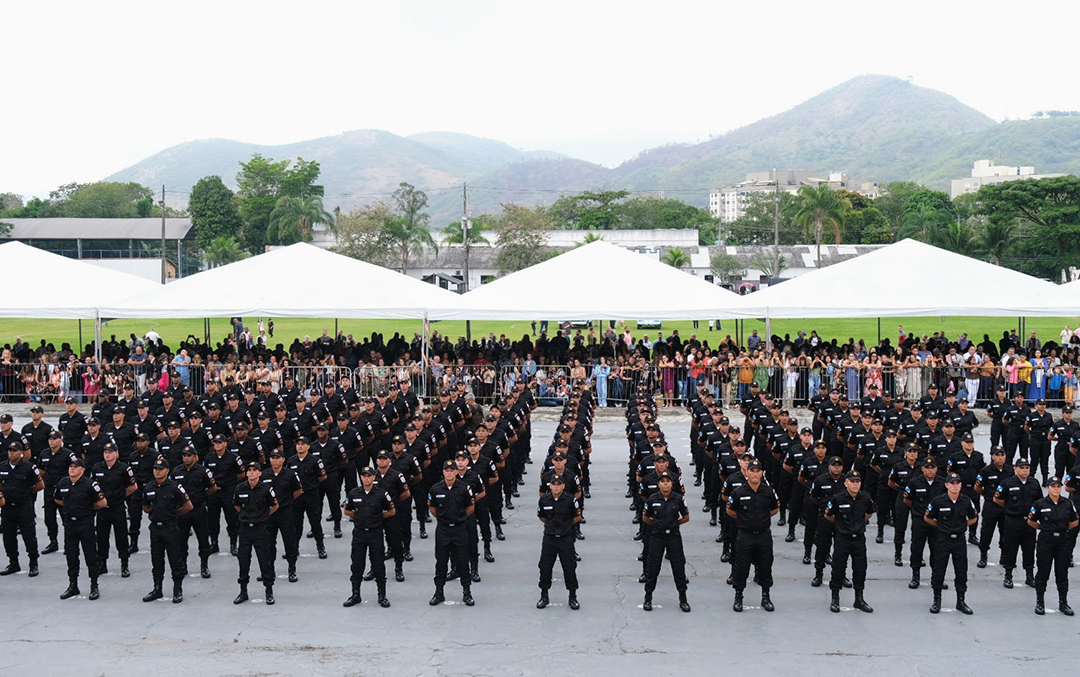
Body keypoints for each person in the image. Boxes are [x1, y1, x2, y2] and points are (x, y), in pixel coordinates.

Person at [727, 458, 779, 613]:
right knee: (741, 566)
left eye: (758, 471)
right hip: (745, 535)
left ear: (761, 473)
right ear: (747, 472)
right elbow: (730, 510)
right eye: (752, 471)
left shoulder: (768, 491)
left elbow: (774, 509)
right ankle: (738, 596)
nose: (755, 474)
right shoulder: (738, 492)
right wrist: (745, 520)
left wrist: (762, 519)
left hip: (763, 535)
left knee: (765, 565)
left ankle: (766, 596)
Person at [924, 472, 978, 614]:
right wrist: (941, 526)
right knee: (939, 570)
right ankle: (937, 600)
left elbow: (973, 518)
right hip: (943, 539)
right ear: (947, 485)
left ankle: (961, 601)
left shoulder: (966, 501)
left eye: (957, 483)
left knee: (961, 571)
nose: (955, 486)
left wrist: (962, 526)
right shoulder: (938, 501)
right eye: (952, 483)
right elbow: (928, 517)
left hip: (959, 540)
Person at [141, 457, 193, 604]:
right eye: (155, 469)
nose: (157, 472)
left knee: (175, 560)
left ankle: (177, 589)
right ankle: (157, 588)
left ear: (167, 471)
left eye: (160, 469)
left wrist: (173, 515)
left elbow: (188, 505)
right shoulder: (149, 487)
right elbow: (145, 506)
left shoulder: (175, 487)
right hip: (155, 529)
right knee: (157, 561)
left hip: (170, 528)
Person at [342, 466, 395, 608]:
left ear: (373, 478)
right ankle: (355, 594)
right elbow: (347, 510)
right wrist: (359, 517)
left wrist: (377, 518)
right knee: (357, 565)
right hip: (359, 534)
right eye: (363, 475)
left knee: (378, 564)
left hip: (375, 533)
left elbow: (391, 510)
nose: (366, 478)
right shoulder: (354, 493)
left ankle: (382, 595)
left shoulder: (381, 494)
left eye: (369, 476)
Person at [54, 458, 106, 600]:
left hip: (85, 524)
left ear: (82, 470)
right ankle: (73, 585)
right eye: (71, 466)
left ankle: (94, 586)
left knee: (90, 556)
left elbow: (102, 502)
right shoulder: (63, 483)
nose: (72, 469)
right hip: (70, 525)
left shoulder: (90, 484)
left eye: (75, 467)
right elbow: (57, 498)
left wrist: (87, 509)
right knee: (71, 556)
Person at [824, 470, 875, 613]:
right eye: (852, 481)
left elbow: (869, 513)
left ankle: (859, 599)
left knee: (860, 569)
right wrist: (841, 525)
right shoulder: (837, 499)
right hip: (842, 539)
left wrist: (858, 523)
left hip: (859, 539)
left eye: (857, 481)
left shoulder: (865, 498)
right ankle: (835, 598)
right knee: (838, 568)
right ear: (846, 483)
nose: (855, 484)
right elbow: (829, 515)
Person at [1028, 475, 1079, 615]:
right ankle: (1040, 602)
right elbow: (1031, 521)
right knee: (1043, 572)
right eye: (1053, 486)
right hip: (1046, 541)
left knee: (1062, 573)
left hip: (1063, 541)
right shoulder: (1040, 504)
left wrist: (1063, 529)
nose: (1056, 489)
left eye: (1058, 486)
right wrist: (1045, 529)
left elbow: (1074, 521)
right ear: (1048, 488)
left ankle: (1063, 603)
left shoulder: (1068, 503)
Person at [428, 459, 476, 606]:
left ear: (456, 471)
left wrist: (459, 518)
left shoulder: (464, 488)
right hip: (443, 530)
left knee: (463, 561)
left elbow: (470, 507)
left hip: (459, 529)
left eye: (452, 470)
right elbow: (433, 508)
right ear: (443, 472)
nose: (449, 473)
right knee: (441, 562)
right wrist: (444, 519)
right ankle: (439, 592)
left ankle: (467, 592)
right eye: (446, 470)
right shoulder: (435, 489)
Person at [641, 471, 691, 612]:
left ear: (671, 483)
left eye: (667, 481)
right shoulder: (652, 499)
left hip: (673, 536)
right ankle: (648, 597)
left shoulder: (678, 499)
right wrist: (658, 525)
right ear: (659, 484)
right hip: (657, 536)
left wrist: (674, 524)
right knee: (653, 567)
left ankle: (683, 598)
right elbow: (645, 518)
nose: (665, 484)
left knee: (678, 567)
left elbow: (686, 517)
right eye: (662, 481)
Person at [232, 461, 279, 605]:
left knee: (264, 559)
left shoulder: (266, 489)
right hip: (245, 529)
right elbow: (237, 504)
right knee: (243, 560)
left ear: (260, 473)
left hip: (260, 529)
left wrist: (262, 516)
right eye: (249, 470)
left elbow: (274, 505)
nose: (251, 472)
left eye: (254, 470)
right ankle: (243, 591)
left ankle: (269, 591)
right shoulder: (240, 488)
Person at [994, 457, 1042, 589]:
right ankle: (1008, 576)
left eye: (1027, 468)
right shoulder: (1007, 483)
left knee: (1029, 549)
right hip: (1013, 521)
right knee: (1011, 549)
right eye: (1022, 467)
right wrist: (1011, 508)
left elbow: (1039, 502)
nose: (1025, 470)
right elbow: (997, 499)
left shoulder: (1034, 483)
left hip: (1029, 523)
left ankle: (1029, 576)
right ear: (1015, 469)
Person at [91, 442, 137, 578]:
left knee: (121, 537)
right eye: (105, 452)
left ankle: (124, 565)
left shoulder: (124, 468)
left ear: (116, 454)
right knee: (102, 538)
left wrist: (120, 497)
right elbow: (92, 486)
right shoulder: (97, 467)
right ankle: (102, 564)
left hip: (117, 508)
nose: (107, 455)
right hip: (103, 509)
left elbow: (133, 486)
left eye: (110, 452)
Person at [536, 473, 581, 610]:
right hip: (549, 538)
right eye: (553, 485)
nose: (555, 487)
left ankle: (572, 596)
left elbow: (576, 517)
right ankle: (544, 595)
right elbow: (542, 516)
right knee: (545, 567)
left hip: (565, 538)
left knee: (569, 567)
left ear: (563, 486)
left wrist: (564, 528)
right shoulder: (544, 500)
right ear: (550, 486)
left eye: (558, 484)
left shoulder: (570, 500)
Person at [0, 440, 43, 577]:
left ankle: (33, 563)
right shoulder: (2, 466)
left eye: (14, 451)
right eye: (10, 451)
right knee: (8, 536)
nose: (11, 454)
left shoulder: (29, 467)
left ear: (21, 453)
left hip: (24, 506)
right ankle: (13, 563)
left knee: (29, 536)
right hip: (7, 507)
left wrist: (26, 493)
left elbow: (40, 485)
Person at [262, 450, 302, 582]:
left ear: (283, 459)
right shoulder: (264, 474)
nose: (274, 460)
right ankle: (269, 571)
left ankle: (292, 569)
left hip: (285, 512)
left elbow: (298, 490)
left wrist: (286, 501)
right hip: (270, 514)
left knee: (289, 542)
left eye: (277, 458)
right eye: (272, 458)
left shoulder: (290, 474)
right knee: (268, 543)